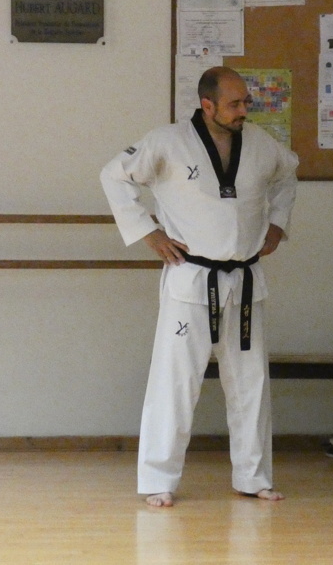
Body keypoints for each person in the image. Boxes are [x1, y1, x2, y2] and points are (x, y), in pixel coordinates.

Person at [101, 66, 299, 508]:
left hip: (245, 280)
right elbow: (113, 175)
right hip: (191, 279)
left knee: (251, 383)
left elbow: (289, 174)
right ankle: (158, 480)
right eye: (234, 104)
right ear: (207, 105)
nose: (244, 110)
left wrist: (277, 223)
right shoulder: (167, 141)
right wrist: (148, 231)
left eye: (246, 102)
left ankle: (253, 476)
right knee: (175, 381)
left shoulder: (261, 144)